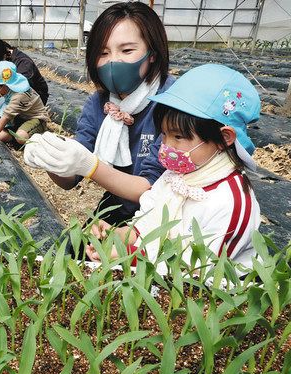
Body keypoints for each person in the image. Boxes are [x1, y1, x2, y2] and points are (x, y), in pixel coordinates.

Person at [85, 64, 261, 268]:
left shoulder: (231, 204)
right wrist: (116, 235)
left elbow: (195, 274)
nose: (166, 146)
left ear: (224, 138)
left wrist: (126, 257)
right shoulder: (176, 175)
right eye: (164, 134)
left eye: (178, 137)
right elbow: (146, 226)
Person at [24, 2, 173, 226]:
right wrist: (51, 160)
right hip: (121, 204)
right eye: (103, 53)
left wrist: (91, 166)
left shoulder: (171, 102)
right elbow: (70, 180)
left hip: (166, 213)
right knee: (76, 252)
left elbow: (151, 187)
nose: (114, 61)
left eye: (127, 50)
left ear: (152, 53)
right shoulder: (99, 103)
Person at [0, 61, 49, 145]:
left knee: (20, 137)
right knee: (1, 136)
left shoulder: (19, 95)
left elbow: (5, 117)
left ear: (5, 85)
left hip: (36, 119)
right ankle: (17, 137)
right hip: (20, 117)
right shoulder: (12, 88)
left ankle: (35, 138)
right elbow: (6, 104)